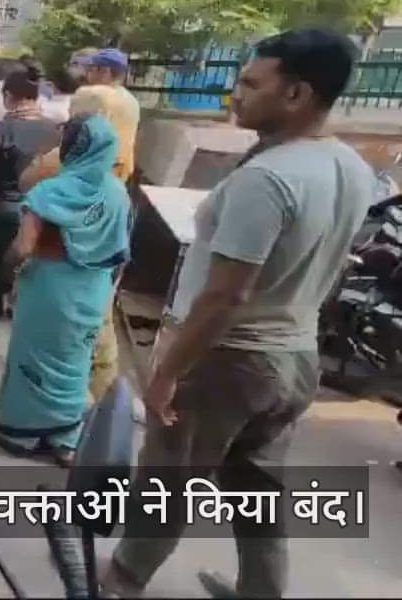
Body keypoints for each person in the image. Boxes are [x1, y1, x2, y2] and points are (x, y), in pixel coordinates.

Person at [103, 29, 375, 600]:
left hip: (229, 359)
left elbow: (224, 296)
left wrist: (169, 373)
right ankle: (261, 591)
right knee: (260, 491)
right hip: (295, 354)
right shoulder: (349, 165)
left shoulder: (266, 179)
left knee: (167, 484)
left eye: (252, 83)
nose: (236, 93)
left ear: (296, 93)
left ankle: (121, 582)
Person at [0, 112, 131, 468]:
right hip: (92, 289)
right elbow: (121, 252)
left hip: (49, 287)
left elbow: (23, 248)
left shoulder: (50, 191)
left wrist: (2, 276)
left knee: (32, 357)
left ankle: (20, 434)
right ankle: (65, 439)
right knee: (75, 362)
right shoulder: (118, 194)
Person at [0, 68, 61, 365]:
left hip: (0, 213)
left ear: (8, 97)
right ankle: (24, 350)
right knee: (30, 282)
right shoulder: (55, 132)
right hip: (42, 214)